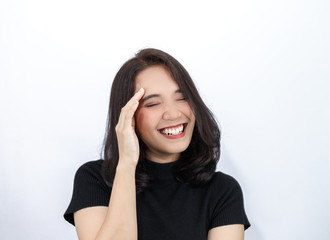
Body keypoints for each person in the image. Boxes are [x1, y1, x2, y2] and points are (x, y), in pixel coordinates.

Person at [64, 48, 250, 240]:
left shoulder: (222, 190)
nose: (173, 114)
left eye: (182, 98)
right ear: (128, 115)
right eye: (152, 104)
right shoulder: (94, 179)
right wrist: (127, 164)